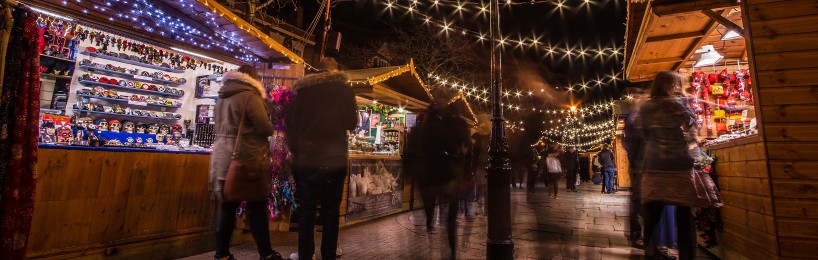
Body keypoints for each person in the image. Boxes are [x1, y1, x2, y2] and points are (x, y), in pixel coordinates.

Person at [285, 58, 358, 260]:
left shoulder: (302, 91)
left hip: (307, 160)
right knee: (331, 211)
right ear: (335, 70)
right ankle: (328, 254)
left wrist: (296, 150)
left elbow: (290, 123)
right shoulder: (344, 90)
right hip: (334, 159)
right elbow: (351, 122)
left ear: (316, 71)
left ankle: (305, 254)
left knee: (307, 210)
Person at [209, 65, 284, 260]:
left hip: (223, 157)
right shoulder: (250, 97)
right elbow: (265, 129)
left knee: (227, 208)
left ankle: (222, 255)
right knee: (257, 207)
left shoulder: (222, 97)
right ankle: (266, 253)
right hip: (246, 158)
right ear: (252, 79)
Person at [635, 71, 700, 260]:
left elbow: (644, 134)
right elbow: (692, 127)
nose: (677, 88)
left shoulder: (646, 107)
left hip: (654, 164)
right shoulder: (678, 105)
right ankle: (687, 256)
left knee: (652, 214)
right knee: (684, 216)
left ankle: (649, 252)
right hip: (679, 164)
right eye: (675, 84)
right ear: (669, 85)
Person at [406, 88, 471, 259]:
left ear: (447, 99)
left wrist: (463, 166)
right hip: (429, 171)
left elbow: (465, 146)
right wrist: (413, 167)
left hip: (449, 171)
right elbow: (414, 142)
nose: (439, 100)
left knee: (450, 216)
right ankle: (431, 231)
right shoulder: (425, 118)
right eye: (437, 96)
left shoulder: (455, 119)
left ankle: (450, 253)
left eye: (443, 97)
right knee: (430, 208)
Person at [623, 87, 648, 248]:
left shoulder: (638, 116)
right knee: (638, 199)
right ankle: (636, 234)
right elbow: (630, 142)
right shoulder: (634, 117)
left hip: (643, 162)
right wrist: (634, 161)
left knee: (640, 199)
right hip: (640, 163)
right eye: (638, 96)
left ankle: (640, 234)